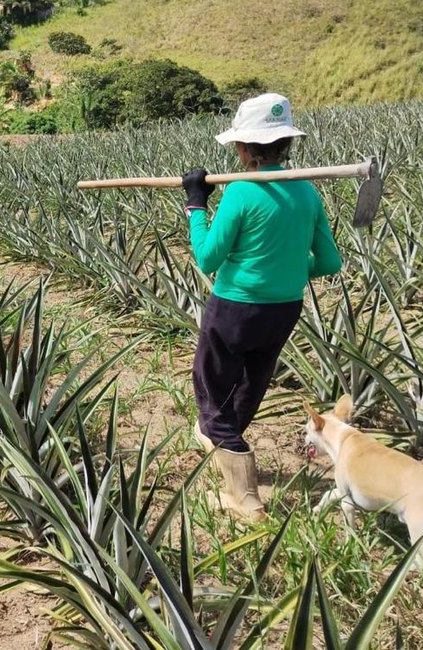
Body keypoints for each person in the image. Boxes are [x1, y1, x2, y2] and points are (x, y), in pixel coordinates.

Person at [181, 93, 342, 522]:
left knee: (213, 390)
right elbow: (330, 262)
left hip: (235, 308)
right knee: (250, 384)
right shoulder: (306, 192)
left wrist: (196, 205)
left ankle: (243, 497)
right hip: (284, 309)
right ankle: (223, 440)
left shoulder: (241, 191)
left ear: (244, 148)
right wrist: (285, 267)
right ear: (286, 144)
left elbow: (208, 258)